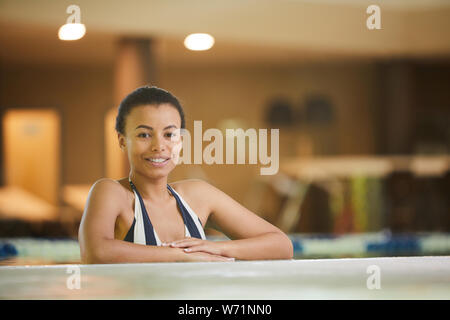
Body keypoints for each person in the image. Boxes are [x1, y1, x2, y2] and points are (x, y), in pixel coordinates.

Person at [78, 86, 293, 263]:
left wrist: (215, 249)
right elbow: (95, 252)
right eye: (144, 134)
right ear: (123, 141)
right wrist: (181, 255)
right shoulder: (111, 193)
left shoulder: (197, 195)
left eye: (169, 134)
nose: (158, 146)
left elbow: (281, 245)